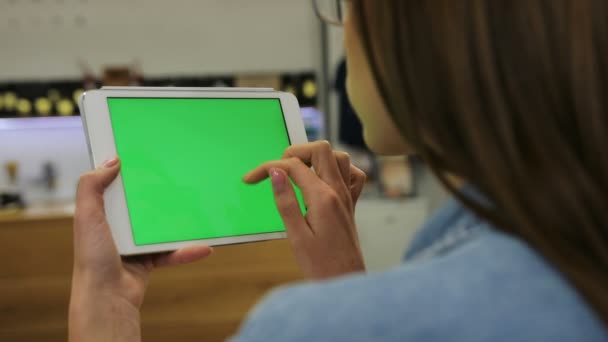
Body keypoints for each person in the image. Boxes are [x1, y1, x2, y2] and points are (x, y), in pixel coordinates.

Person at [68, 0, 608, 341]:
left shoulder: (302, 327)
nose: (344, 31)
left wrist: (107, 312)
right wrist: (345, 290)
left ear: (427, 38)